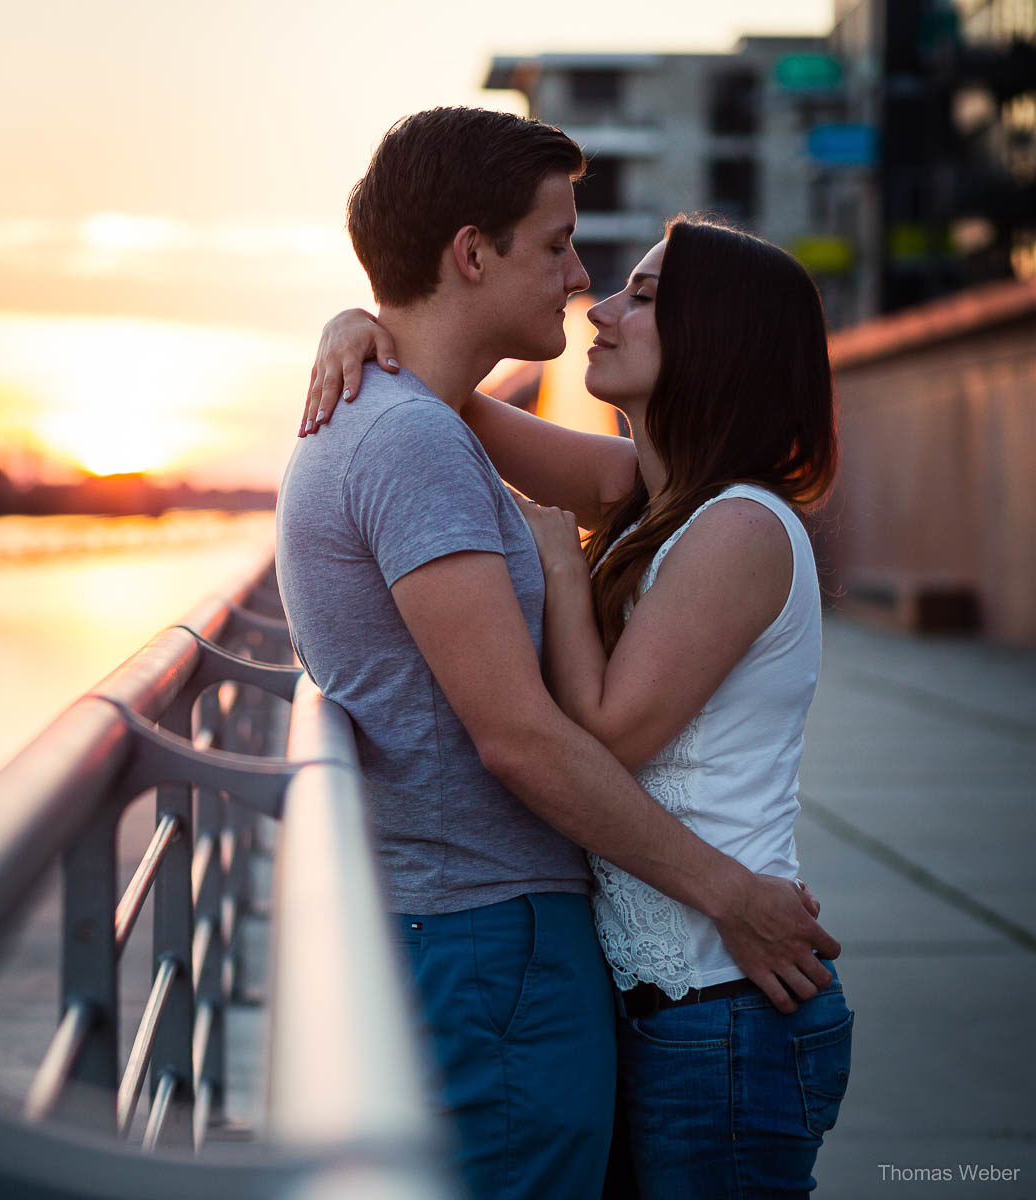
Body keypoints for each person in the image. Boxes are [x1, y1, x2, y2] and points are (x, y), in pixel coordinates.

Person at [273, 105, 838, 1200]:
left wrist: (380, 330)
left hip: (605, 965)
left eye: (632, 285)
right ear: (472, 253)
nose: (585, 283)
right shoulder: (409, 438)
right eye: (558, 246)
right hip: (512, 951)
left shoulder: (680, 505)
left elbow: (579, 719)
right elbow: (527, 741)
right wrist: (361, 320)